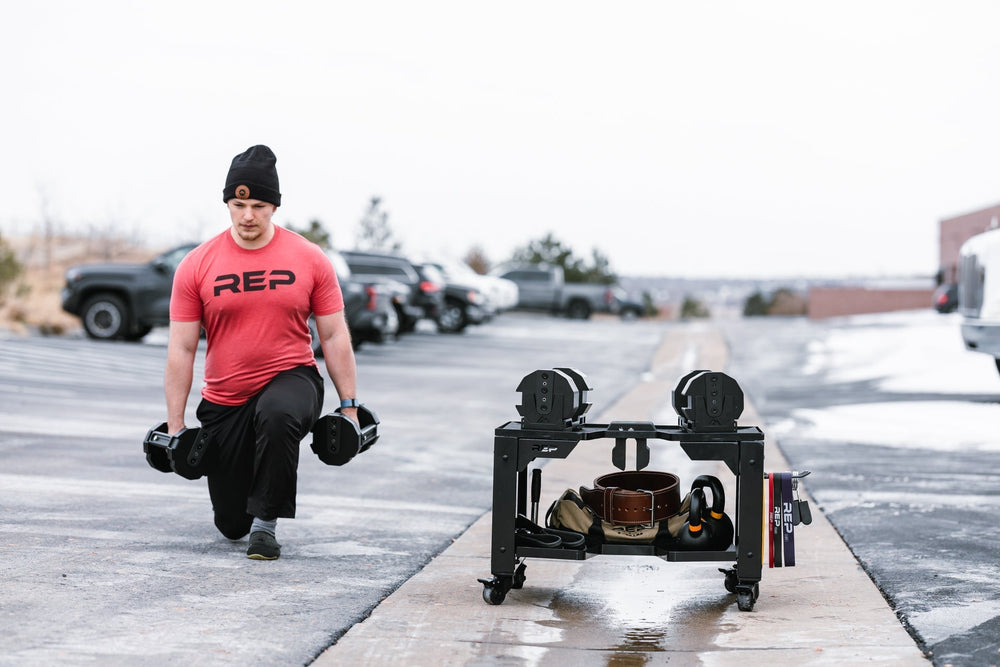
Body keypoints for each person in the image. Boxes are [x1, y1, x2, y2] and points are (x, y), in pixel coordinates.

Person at [164, 144, 359, 561]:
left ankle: (266, 527)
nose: (248, 215)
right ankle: (248, 511)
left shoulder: (309, 258)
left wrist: (350, 406)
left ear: (274, 206)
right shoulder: (197, 265)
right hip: (225, 399)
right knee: (230, 524)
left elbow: (335, 336)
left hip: (292, 377)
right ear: (228, 204)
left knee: (278, 413)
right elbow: (181, 348)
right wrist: (176, 425)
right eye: (239, 204)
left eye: (258, 205)